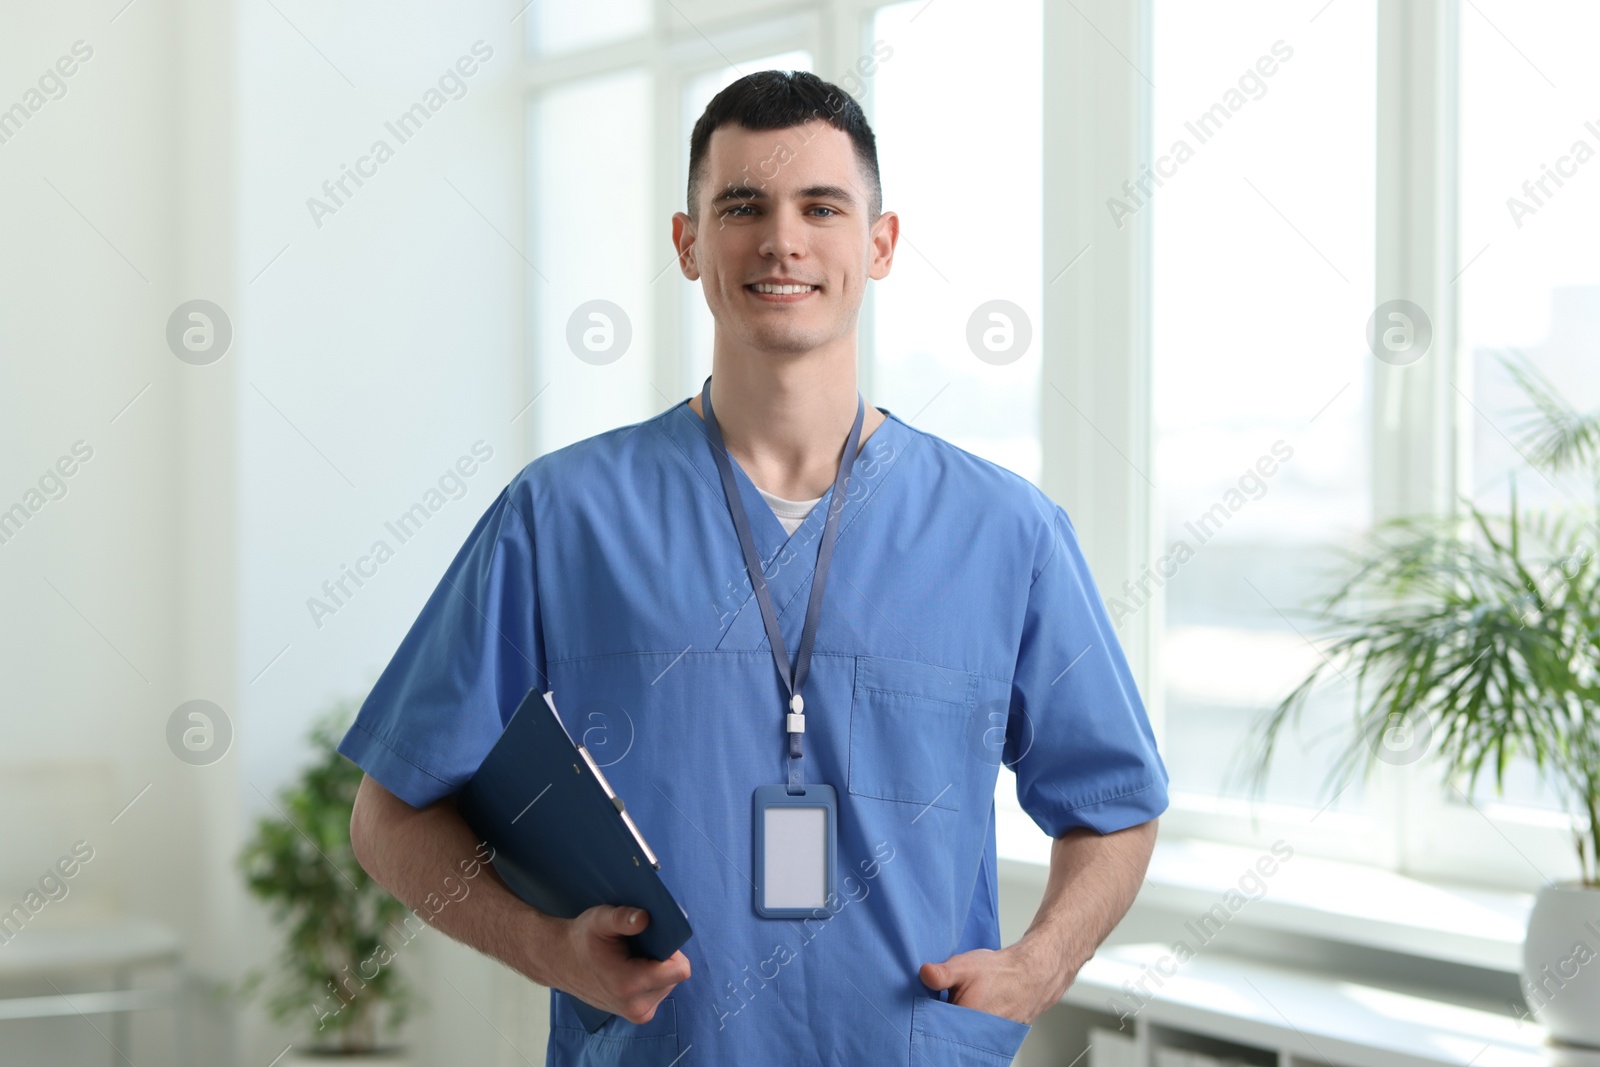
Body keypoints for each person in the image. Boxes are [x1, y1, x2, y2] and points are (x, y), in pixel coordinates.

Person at [340, 69, 1167, 1066]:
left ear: (880, 242)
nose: (782, 240)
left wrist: (1039, 964)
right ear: (688, 243)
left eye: (822, 207)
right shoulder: (561, 517)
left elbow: (1115, 807)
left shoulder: (1007, 532)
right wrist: (547, 947)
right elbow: (391, 813)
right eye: (742, 206)